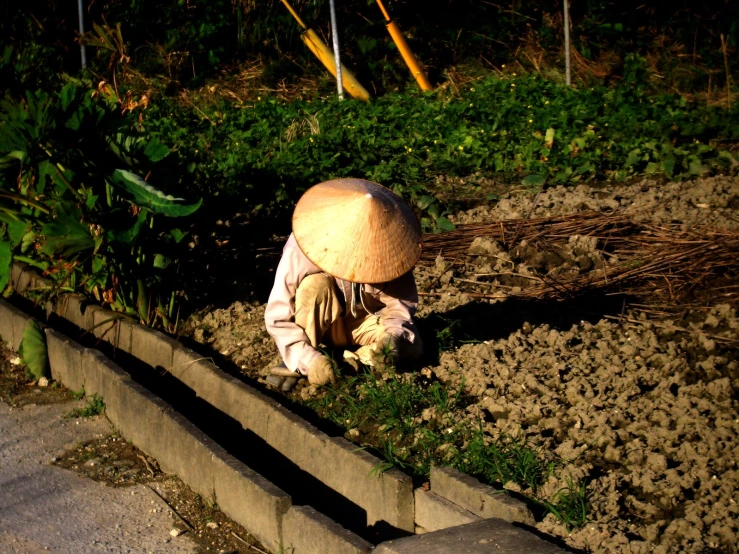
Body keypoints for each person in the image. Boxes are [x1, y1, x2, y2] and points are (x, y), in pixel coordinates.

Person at [264, 178, 423, 390]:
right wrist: (309, 360)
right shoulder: (302, 247)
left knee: (412, 345)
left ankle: (354, 361)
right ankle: (305, 360)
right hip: (323, 325)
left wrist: (391, 339)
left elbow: (398, 309)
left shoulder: (393, 250)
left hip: (364, 323)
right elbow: (278, 317)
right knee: (314, 287)